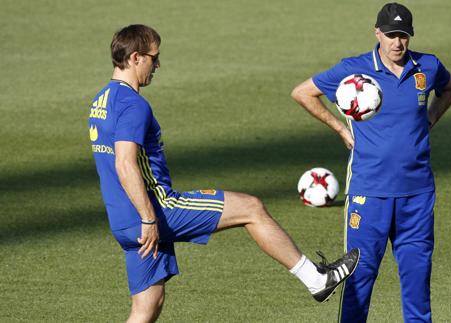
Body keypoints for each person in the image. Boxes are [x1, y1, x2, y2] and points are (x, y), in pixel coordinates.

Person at [88, 24, 360, 323]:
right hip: (154, 212)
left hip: (122, 220)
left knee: (147, 307)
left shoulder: (102, 100)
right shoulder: (132, 105)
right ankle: (316, 279)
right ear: (136, 57)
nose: (158, 64)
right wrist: (149, 218)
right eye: (155, 57)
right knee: (250, 207)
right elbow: (125, 164)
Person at [291, 3, 451, 322]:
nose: (398, 42)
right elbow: (303, 93)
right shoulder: (353, 70)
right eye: (392, 35)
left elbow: (449, 88)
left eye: (404, 35)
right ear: (377, 33)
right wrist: (340, 128)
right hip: (369, 195)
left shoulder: (428, 66)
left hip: (418, 196)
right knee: (358, 283)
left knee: (418, 287)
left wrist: (431, 117)